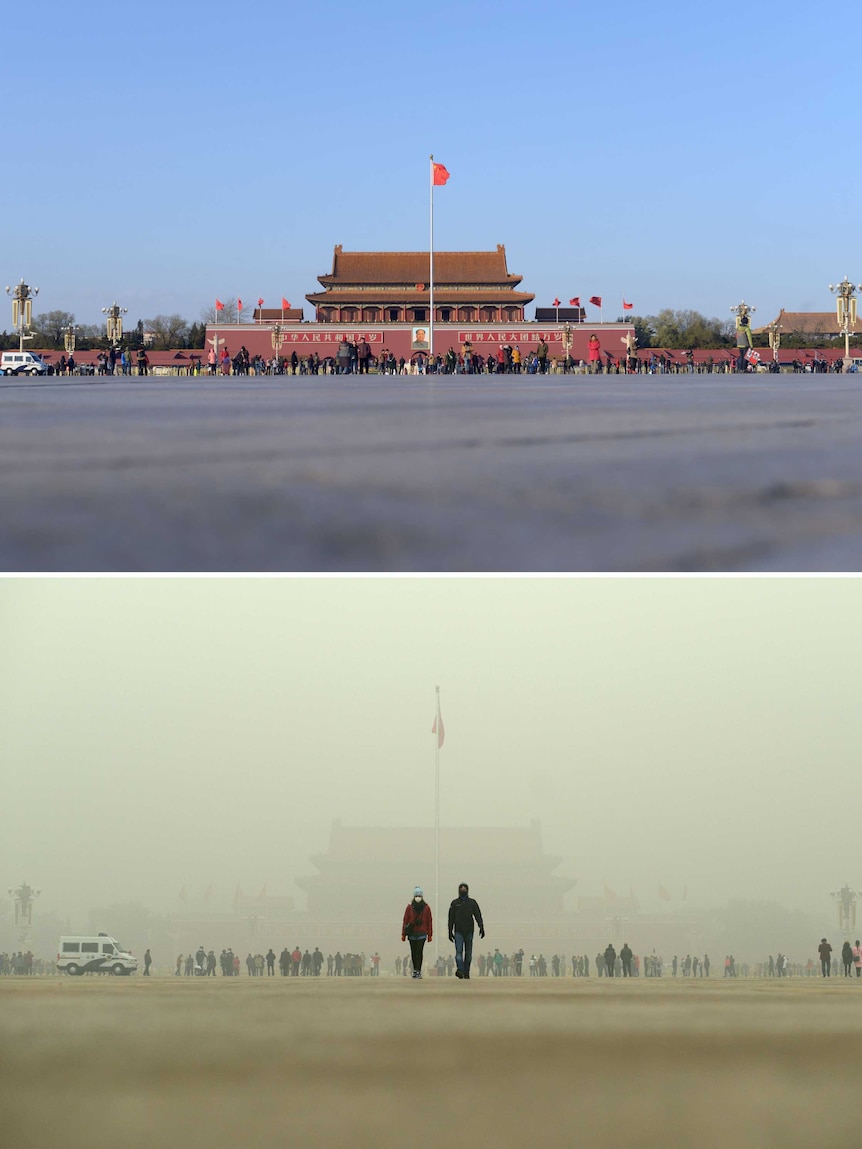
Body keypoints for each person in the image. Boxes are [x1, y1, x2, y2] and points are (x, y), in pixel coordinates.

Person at [447, 882, 484, 980]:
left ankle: (466, 972)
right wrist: (449, 931)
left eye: (465, 888)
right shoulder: (454, 903)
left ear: (467, 890)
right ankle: (460, 970)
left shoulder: (472, 902)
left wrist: (481, 927)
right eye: (461, 888)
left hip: (469, 931)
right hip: (458, 931)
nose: (463, 890)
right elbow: (451, 918)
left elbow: (478, 915)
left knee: (468, 954)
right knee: (459, 953)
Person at [402, 885, 433, 979]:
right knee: (413, 952)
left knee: (419, 952)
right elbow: (405, 920)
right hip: (412, 933)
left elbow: (429, 921)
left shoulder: (426, 908)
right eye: (416, 895)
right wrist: (403, 934)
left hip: (422, 934)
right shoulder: (409, 907)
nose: (418, 897)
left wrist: (430, 934)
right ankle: (415, 970)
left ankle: (418, 970)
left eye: (419, 895)